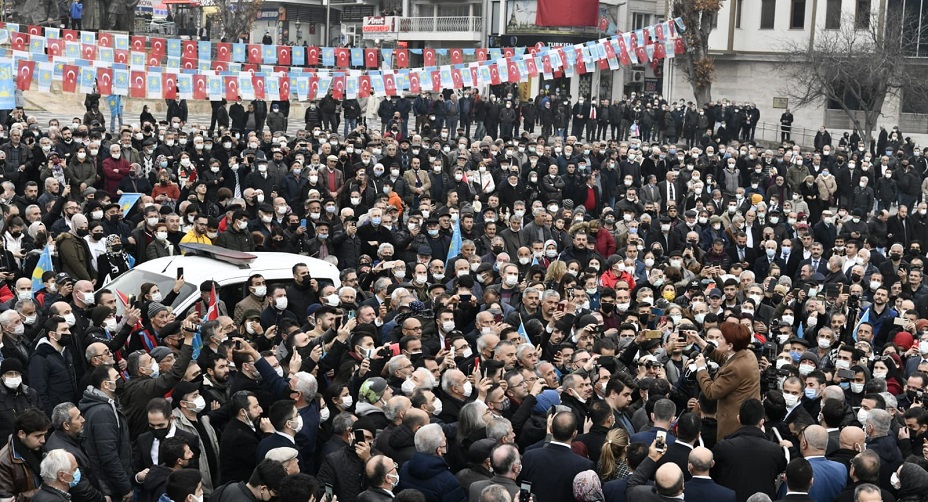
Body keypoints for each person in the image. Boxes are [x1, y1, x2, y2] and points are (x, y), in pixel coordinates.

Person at [689, 322, 761, 441]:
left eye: (721, 338)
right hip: (745, 422)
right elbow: (725, 359)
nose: (717, 340)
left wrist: (701, 368)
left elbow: (711, 392)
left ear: (730, 345)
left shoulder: (735, 368)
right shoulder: (748, 354)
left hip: (733, 427)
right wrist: (700, 342)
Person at [518, 412, 594, 502]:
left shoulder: (529, 457)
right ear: (575, 434)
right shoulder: (584, 466)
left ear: (551, 429)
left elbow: (522, 489)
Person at [0, 408, 50, 502]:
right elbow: (7, 500)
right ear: (22, 434)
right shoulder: (4, 463)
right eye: (38, 436)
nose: (43, 440)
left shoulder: (39, 448)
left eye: (44, 435)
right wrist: (42, 492)